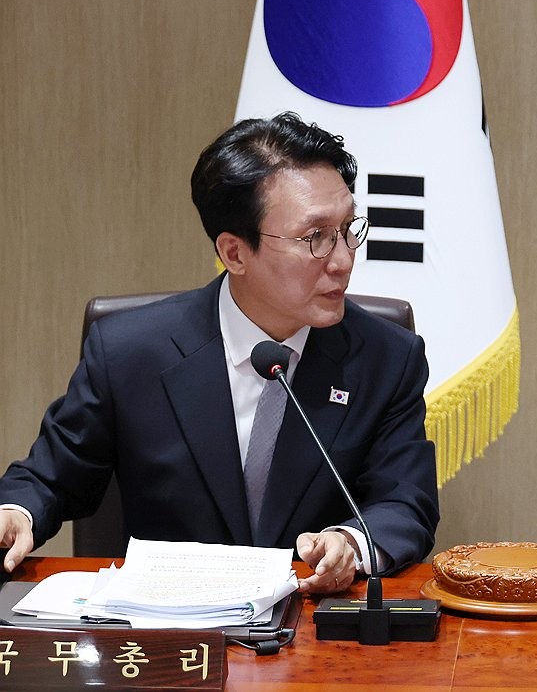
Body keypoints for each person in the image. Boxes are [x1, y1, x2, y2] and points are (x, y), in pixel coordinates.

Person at [0, 112, 439, 594]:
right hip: (168, 622)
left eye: (347, 228)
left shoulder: (385, 357)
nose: (343, 259)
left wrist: (350, 542)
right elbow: (51, 477)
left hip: (313, 619)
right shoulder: (130, 352)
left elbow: (405, 503)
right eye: (316, 237)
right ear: (234, 253)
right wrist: (16, 513)